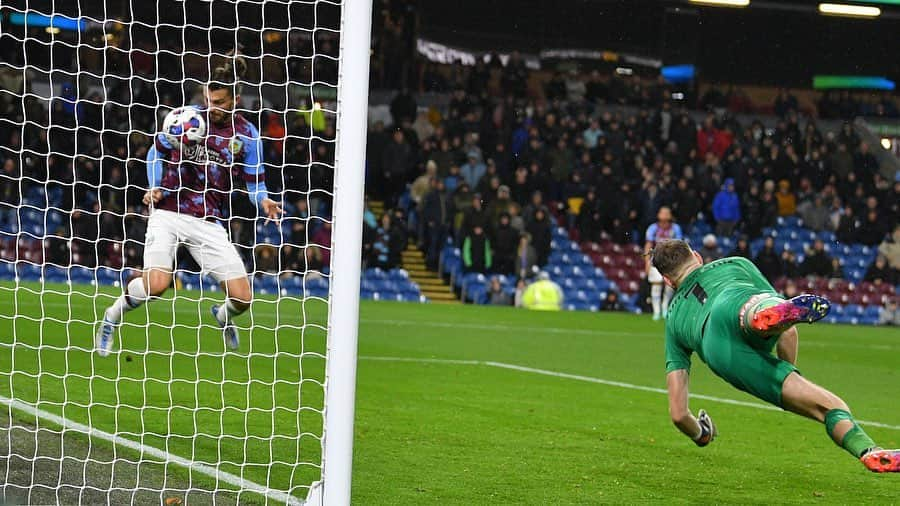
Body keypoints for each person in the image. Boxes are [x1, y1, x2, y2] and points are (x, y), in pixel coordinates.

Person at [651, 239, 899, 473]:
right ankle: (762, 315)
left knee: (829, 407)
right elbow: (789, 332)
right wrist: (788, 370)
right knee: (755, 306)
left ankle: (871, 453)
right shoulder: (735, 263)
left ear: (668, 281)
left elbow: (679, 414)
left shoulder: (673, 319)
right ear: (697, 257)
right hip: (737, 299)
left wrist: (701, 434)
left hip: (718, 348)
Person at [96, 55, 282, 356]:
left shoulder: (248, 136)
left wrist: (264, 200)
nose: (213, 108)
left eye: (220, 102)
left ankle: (222, 315)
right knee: (157, 285)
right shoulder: (186, 119)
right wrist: (155, 185)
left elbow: (255, 184)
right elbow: (155, 151)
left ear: (235, 99)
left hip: (208, 220)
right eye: (209, 100)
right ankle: (112, 316)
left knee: (243, 298)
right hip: (169, 210)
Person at [643, 206, 684, 321]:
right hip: (656, 259)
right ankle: (656, 311)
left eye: (667, 213)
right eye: (663, 212)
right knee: (656, 285)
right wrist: (646, 261)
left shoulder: (675, 228)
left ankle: (665, 308)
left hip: (671, 261)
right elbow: (648, 244)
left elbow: (679, 245)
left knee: (669, 286)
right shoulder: (653, 228)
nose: (665, 215)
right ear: (658, 214)